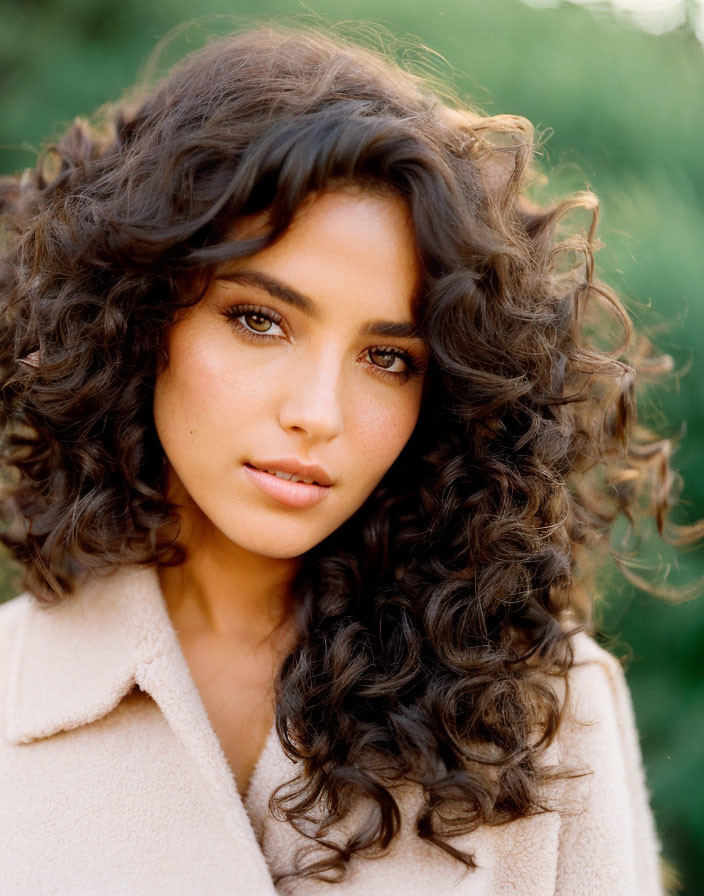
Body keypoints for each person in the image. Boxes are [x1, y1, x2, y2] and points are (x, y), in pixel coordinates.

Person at [0, 23, 694, 896]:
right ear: (141, 315)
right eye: (260, 320)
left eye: (387, 358)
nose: (317, 414)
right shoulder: (11, 695)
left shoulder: (542, 713)